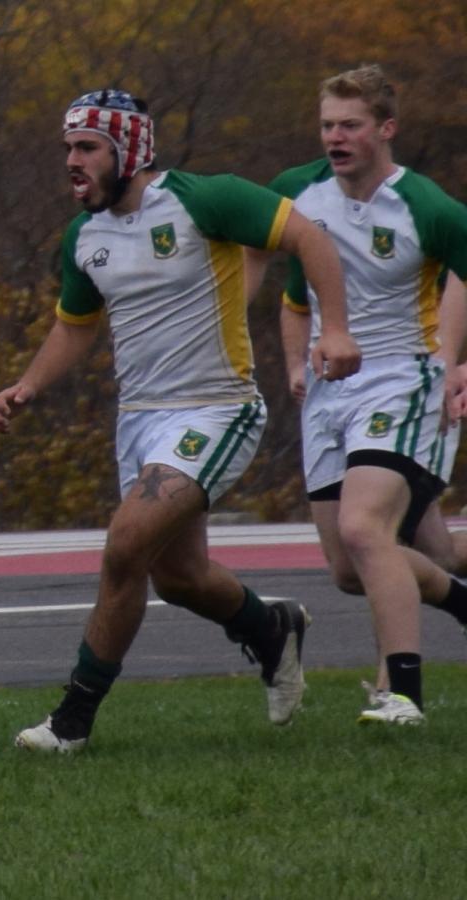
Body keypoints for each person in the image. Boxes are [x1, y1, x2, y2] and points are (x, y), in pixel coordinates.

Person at [0, 89, 362, 753]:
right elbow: (75, 327)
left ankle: (72, 721)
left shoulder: (204, 199)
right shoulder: (84, 236)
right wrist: (28, 385)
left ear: (128, 150)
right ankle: (271, 628)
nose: (72, 161)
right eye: (68, 148)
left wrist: (334, 329)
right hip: (138, 421)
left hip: (216, 408)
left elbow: (310, 237)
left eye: (87, 148)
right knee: (180, 578)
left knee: (125, 545)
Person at [263, 65, 467, 725]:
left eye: (350, 125)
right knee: (354, 569)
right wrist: (294, 366)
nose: (335, 137)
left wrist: (453, 361)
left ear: (386, 129)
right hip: (329, 393)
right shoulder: (297, 193)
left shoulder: (426, 206)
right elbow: (295, 298)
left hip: (402, 381)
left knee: (363, 529)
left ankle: (403, 694)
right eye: (327, 125)